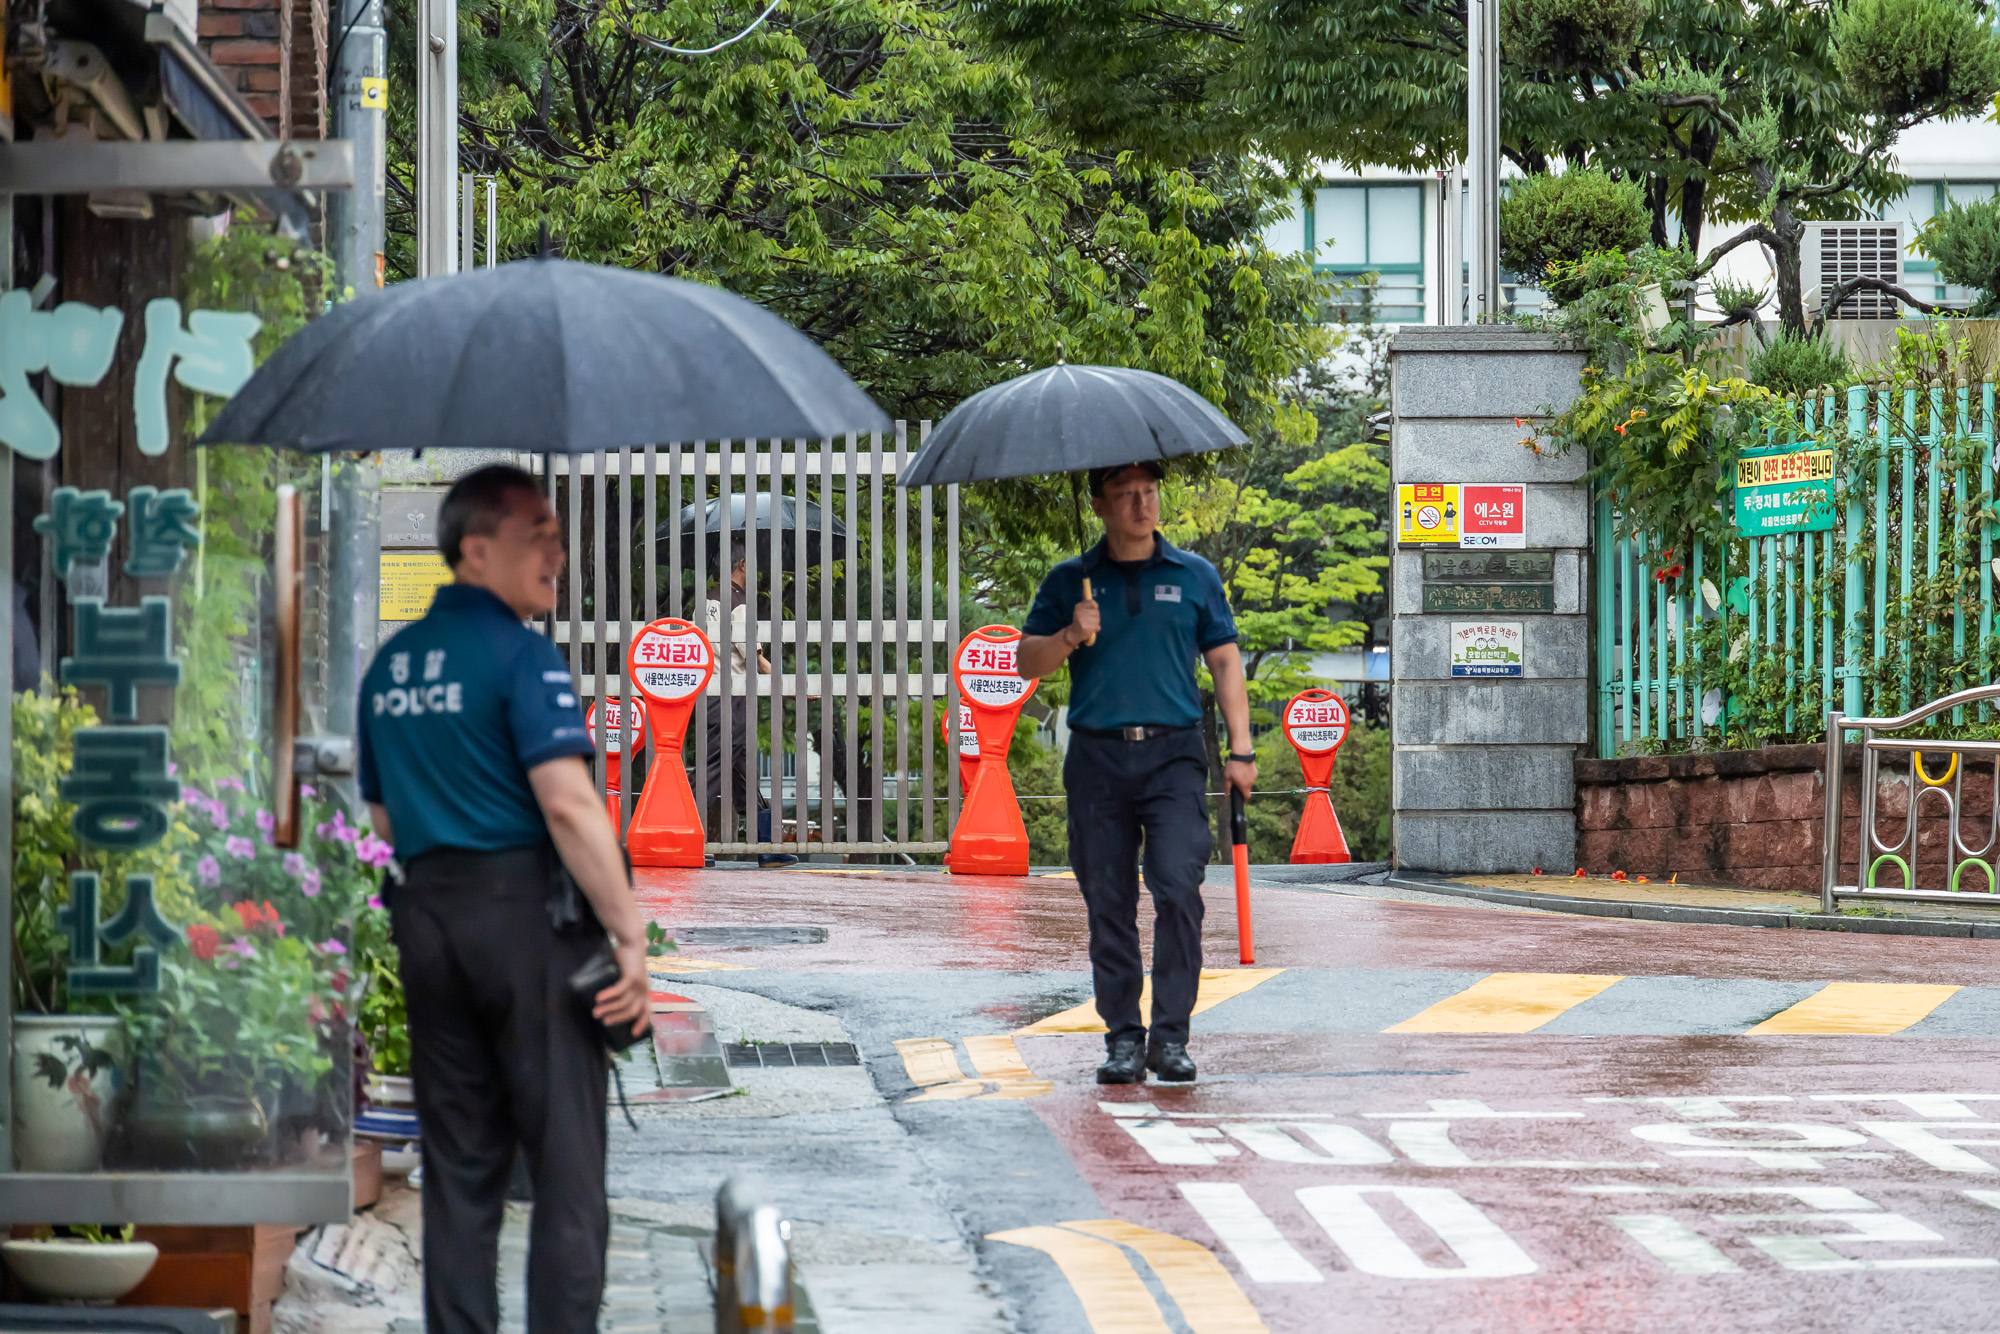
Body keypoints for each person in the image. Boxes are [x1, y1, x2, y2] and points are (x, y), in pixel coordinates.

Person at [356, 464, 650, 1334]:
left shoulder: (391, 666)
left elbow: (379, 815)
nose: (556, 551)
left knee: (459, 1171)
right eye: (537, 534)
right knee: (564, 1172)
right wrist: (629, 938)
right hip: (523, 920)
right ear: (475, 550)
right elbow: (566, 801)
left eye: (557, 535)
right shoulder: (522, 655)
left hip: (426, 919)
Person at [1017, 461, 1256, 1085]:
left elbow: (1226, 662)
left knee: (1179, 886)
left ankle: (1170, 1037)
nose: (1141, 506)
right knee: (1109, 900)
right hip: (1097, 758)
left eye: (1148, 493)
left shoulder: (1193, 574)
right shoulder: (1072, 579)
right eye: (1125, 495)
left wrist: (1242, 749)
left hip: (1173, 755)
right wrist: (1071, 632)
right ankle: (1124, 1036)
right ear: (1099, 504)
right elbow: (1026, 663)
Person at [701, 554, 798, 866]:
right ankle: (683, 832)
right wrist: (789, 689)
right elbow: (755, 658)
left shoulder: (706, 601)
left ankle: (767, 845)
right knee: (715, 767)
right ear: (742, 564)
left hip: (709, 694)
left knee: (742, 771)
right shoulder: (738, 603)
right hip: (732, 696)